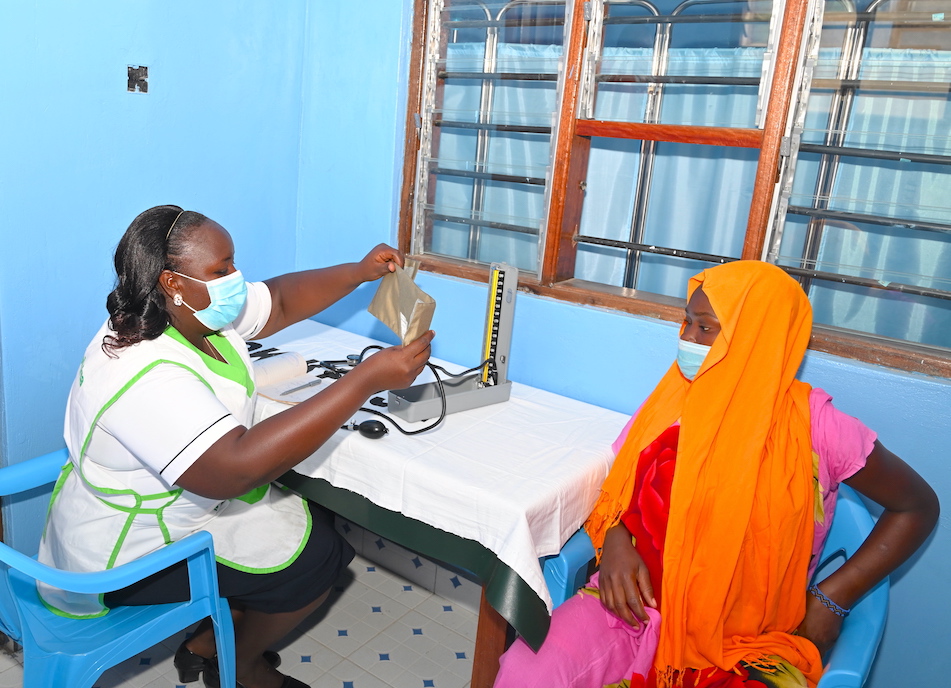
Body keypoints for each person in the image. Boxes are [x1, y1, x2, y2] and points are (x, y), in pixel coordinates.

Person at [37, 205, 435, 688]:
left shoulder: (188, 313)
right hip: (126, 556)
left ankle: (206, 644)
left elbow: (283, 301)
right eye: (221, 270)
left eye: (233, 264)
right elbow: (235, 470)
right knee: (319, 560)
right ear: (172, 282)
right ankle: (241, 666)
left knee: (317, 521)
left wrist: (359, 271)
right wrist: (362, 381)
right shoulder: (142, 372)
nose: (236, 279)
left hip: (181, 509)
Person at [494, 260, 939, 688]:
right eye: (686, 322)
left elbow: (917, 506)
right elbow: (620, 487)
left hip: (744, 636)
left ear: (755, 336)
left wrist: (833, 597)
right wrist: (615, 538)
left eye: (705, 328)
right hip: (634, 606)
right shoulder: (672, 400)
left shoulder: (816, 429)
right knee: (524, 672)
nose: (687, 338)